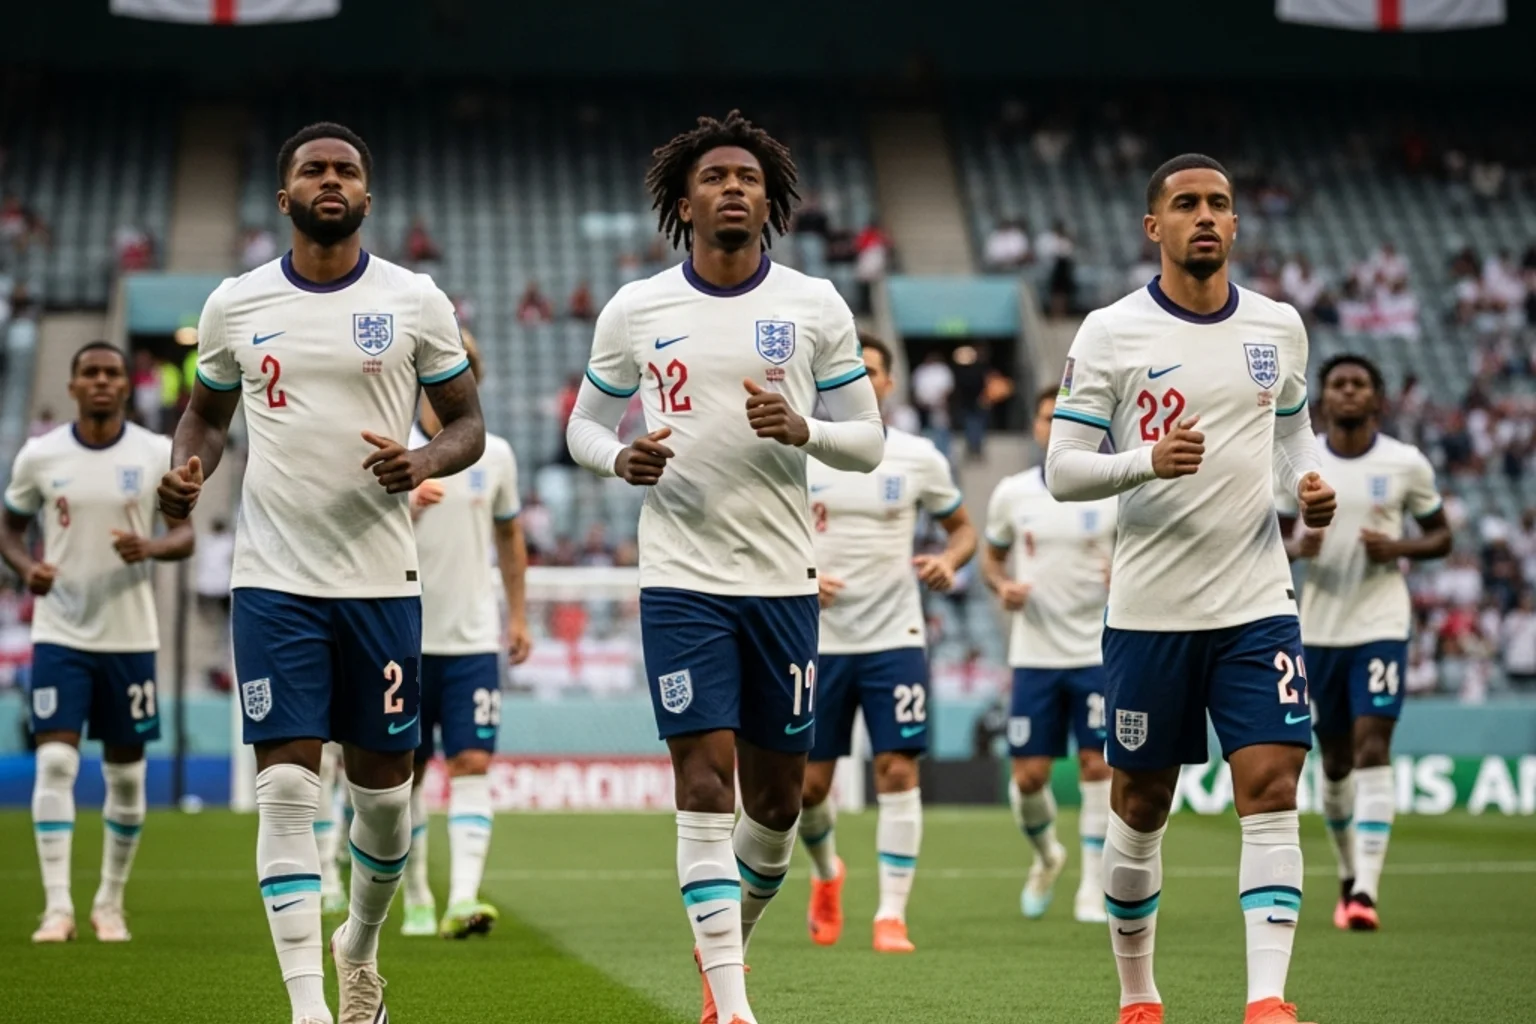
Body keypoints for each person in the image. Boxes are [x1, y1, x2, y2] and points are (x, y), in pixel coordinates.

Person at [157, 121, 484, 1024]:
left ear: (368, 196)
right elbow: (205, 418)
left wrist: (424, 461)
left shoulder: (415, 298)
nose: (330, 180)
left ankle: (360, 951)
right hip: (276, 580)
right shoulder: (235, 303)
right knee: (289, 785)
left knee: (383, 801)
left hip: (382, 581)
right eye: (313, 169)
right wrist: (189, 471)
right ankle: (308, 1009)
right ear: (284, 196)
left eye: (346, 170)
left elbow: (468, 426)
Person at [565, 110, 883, 1024]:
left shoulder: (816, 305)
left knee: (776, 810)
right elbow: (586, 425)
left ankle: (723, 959)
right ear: (683, 198)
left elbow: (868, 440)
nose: (733, 186)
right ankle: (734, 1008)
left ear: (771, 196)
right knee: (702, 781)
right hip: (680, 578)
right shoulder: (638, 309)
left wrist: (805, 428)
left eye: (748, 175)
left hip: (783, 583)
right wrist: (617, 459)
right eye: (715, 177)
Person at [1045, 153, 1336, 1024]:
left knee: (1274, 784)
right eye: (1185, 204)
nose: (1204, 216)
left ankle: (1267, 998)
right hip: (1150, 613)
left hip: (1256, 603)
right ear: (1154, 227)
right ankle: (1139, 996)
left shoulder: (1279, 328)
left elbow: (1293, 439)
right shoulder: (1109, 333)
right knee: (1140, 803)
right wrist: (1144, 463)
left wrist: (1308, 487)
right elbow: (1060, 471)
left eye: (1219, 204)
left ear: (1236, 224)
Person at [0, 341, 194, 943]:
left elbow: (182, 535)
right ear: (74, 383)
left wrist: (151, 547)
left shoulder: (156, 451)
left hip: (131, 635)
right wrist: (24, 567)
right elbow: (9, 526)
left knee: (127, 778)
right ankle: (57, 907)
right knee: (56, 760)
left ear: (125, 385)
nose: (104, 381)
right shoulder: (39, 456)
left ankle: (109, 902)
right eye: (92, 373)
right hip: (60, 631)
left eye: (113, 372)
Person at [796, 333, 976, 954]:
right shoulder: (803, 449)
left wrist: (949, 561)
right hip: (816, 639)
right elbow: (766, 532)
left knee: (897, 769)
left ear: (890, 384)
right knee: (808, 788)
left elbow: (963, 530)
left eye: (871, 371)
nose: (862, 380)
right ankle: (826, 875)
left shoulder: (918, 456)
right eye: (850, 371)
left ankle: (891, 916)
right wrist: (803, 576)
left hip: (895, 636)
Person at [1277, 354, 1450, 932]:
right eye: (1337, 386)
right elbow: (1265, 538)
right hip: (1317, 631)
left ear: (1377, 398)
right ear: (1323, 400)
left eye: (1359, 385)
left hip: (1380, 624)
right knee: (1335, 763)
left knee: (1373, 746)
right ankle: (1349, 874)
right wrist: (1296, 549)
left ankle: (1367, 894)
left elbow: (1441, 535)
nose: (1348, 393)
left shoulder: (1405, 464)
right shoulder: (1298, 465)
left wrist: (1398, 549)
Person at [400, 328, 532, 939]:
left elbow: (509, 536)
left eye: (464, 374)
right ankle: (418, 895)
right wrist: (403, 505)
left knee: (473, 761)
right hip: (400, 639)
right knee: (404, 775)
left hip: (473, 639)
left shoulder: (495, 455)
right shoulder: (394, 450)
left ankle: (462, 899)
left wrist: (519, 615)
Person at [983, 386, 1116, 925]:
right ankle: (1047, 857)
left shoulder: (1113, 490)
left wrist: (1123, 574)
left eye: (1065, 417)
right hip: (1034, 654)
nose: (1054, 426)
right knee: (1029, 778)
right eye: (1045, 418)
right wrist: (1000, 586)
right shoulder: (1012, 493)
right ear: (1036, 428)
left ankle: (1092, 884)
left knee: (1096, 766)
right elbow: (992, 559)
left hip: (1098, 653)